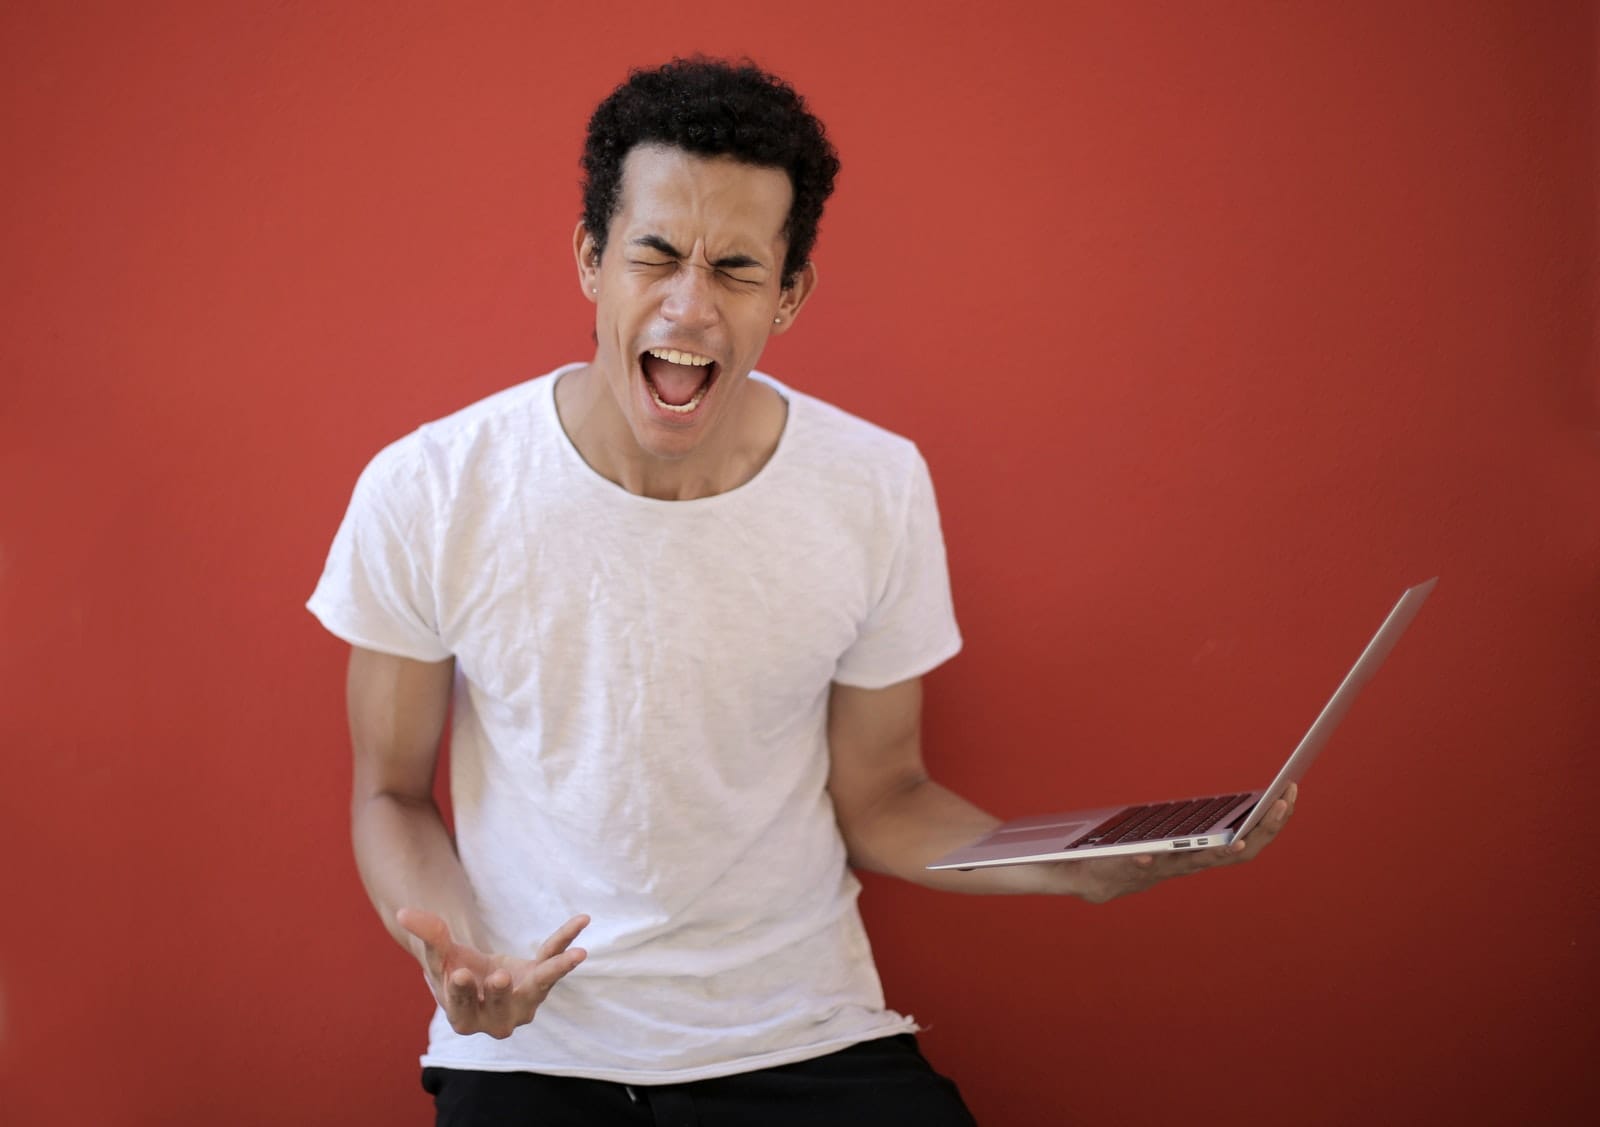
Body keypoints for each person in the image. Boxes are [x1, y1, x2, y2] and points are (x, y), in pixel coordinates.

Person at [307, 57, 1295, 1126]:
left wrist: (1072, 871)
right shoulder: (432, 486)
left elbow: (881, 795)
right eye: (654, 255)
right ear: (591, 259)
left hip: (800, 1033)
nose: (689, 304)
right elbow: (392, 792)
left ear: (789, 293)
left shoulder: (873, 484)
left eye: (735, 267)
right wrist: (465, 954)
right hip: (534, 1043)